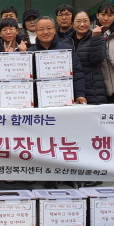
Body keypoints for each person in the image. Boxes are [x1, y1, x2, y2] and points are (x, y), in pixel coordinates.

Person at [28, 16, 87, 188]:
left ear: (54, 29)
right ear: (35, 32)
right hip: (39, 105)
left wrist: (80, 94)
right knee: (43, 141)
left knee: (63, 139)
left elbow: (77, 72)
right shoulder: (29, 52)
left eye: (49, 28)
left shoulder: (66, 49)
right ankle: (49, 176)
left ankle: (67, 173)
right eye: (41, 29)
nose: (45, 32)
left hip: (62, 102)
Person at [71, 10, 107, 105]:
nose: (82, 24)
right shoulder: (66, 42)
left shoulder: (98, 38)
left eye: (85, 21)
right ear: (72, 24)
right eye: (78, 21)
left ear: (90, 22)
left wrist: (95, 38)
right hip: (71, 91)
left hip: (93, 90)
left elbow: (97, 59)